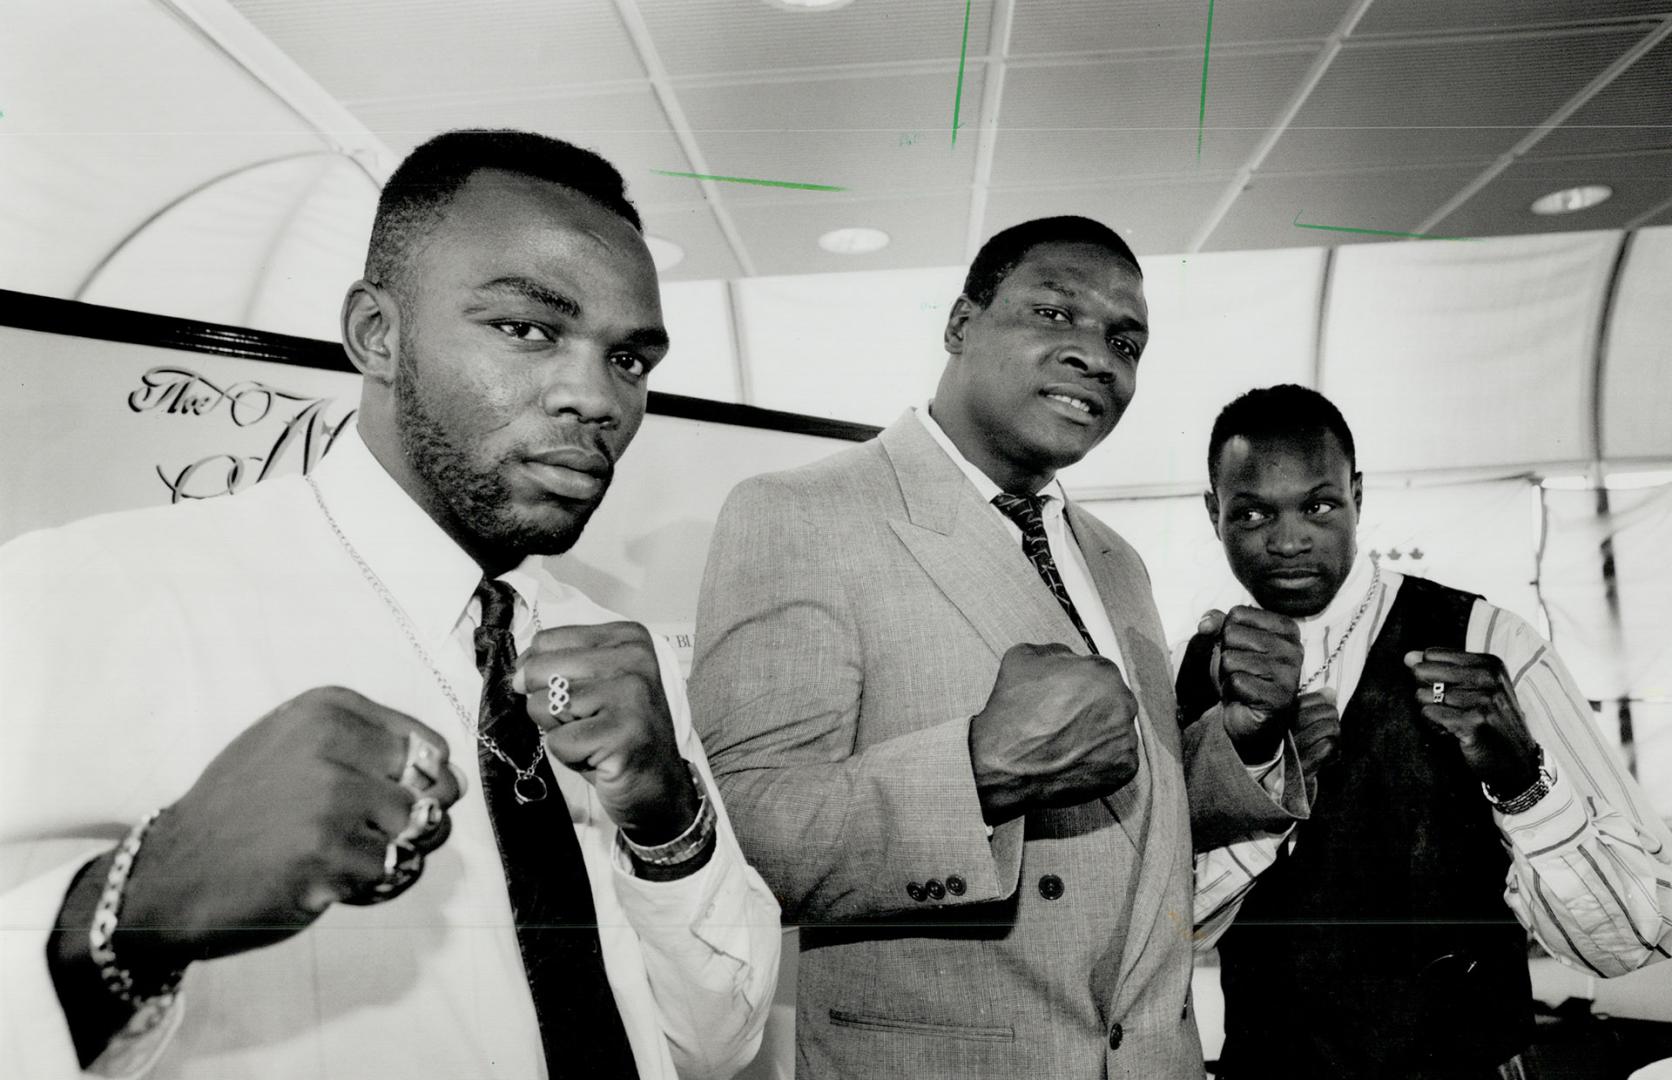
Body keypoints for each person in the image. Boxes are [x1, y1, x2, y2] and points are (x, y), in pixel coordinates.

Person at [0, 129, 779, 1080]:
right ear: (378, 334)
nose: (595, 398)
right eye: (528, 329)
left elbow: (716, 1046)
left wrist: (667, 819)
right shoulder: (101, 596)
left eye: (630, 360)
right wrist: (130, 913)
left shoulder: (616, 655)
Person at [688, 216, 1312, 1079]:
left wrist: (1237, 739)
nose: (1097, 355)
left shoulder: (1116, 561)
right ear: (959, 322)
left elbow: (1127, 826)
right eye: (1056, 314)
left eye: (1124, 340)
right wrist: (978, 772)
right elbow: (743, 838)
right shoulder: (801, 513)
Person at [1182, 384, 1672, 1079]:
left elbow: (1626, 943)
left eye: (1318, 505)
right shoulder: (1194, 667)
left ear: (1358, 495)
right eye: (1254, 512)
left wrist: (1523, 781)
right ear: (1215, 513)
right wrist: (1259, 778)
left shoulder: (1489, 642)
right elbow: (1163, 933)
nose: (1288, 539)